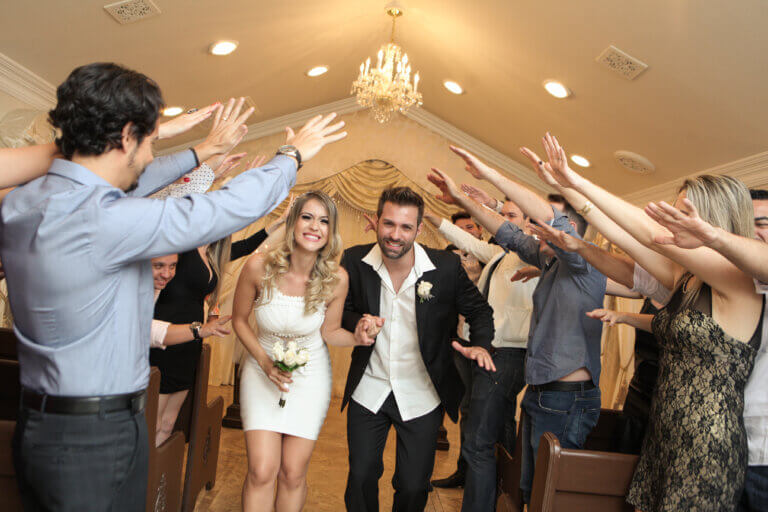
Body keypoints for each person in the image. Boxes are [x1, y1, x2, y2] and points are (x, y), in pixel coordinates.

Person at [0, 62, 346, 510]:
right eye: (149, 141)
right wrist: (291, 156)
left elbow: (105, 176)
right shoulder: (106, 220)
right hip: (93, 439)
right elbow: (227, 208)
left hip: (40, 424)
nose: (149, 156)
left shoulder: (23, 202)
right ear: (125, 137)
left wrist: (198, 151)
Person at [533, 132, 763, 511]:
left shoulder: (738, 282)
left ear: (714, 220)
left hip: (706, 447)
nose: (669, 225)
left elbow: (650, 236)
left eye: (680, 215)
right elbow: (628, 239)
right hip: (664, 433)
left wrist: (576, 181)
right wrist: (571, 199)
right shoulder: (686, 277)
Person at [428, 144, 606, 505]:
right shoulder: (548, 260)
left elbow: (546, 222)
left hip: (566, 396)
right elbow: (504, 233)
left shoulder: (583, 263)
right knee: (527, 489)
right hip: (543, 390)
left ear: (573, 233)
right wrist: (462, 199)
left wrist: (491, 174)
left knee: (545, 493)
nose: (539, 228)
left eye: (551, 223)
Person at [341, 186, 496, 512]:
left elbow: (481, 311)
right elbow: (343, 308)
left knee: (413, 487)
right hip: (370, 387)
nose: (395, 235)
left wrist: (481, 345)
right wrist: (358, 322)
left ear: (419, 229)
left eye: (405, 227)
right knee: (361, 475)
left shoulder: (444, 268)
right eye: (389, 224)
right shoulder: (355, 260)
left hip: (422, 392)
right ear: (377, 221)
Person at [232, 191, 373, 511]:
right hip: (260, 371)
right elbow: (240, 321)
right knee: (261, 470)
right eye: (307, 217)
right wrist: (265, 362)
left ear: (331, 231)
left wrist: (358, 338)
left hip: (308, 379)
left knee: (293, 473)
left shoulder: (337, 279)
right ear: (293, 221)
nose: (315, 226)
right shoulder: (258, 266)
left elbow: (331, 332)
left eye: (324, 221)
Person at [639, 189, 768, 512]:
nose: (752, 235)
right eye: (747, 226)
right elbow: (635, 271)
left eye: (763, 224)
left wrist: (712, 236)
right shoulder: (717, 283)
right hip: (721, 446)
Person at [425, 199, 538, 510]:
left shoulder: (535, 257)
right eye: (501, 215)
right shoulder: (501, 254)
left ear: (529, 224)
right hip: (488, 353)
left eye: (511, 216)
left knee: (478, 442)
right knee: (485, 439)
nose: (501, 221)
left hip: (506, 356)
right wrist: (430, 214)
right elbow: (466, 240)